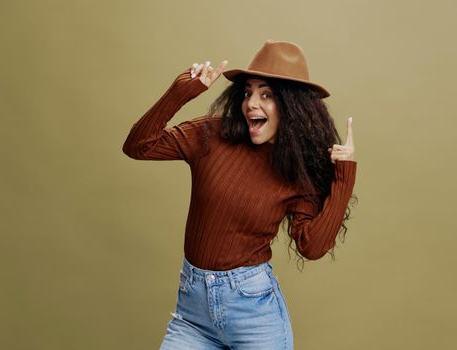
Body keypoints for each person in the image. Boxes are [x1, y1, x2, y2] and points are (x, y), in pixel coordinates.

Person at [123, 40, 356, 350]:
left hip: (255, 315)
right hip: (193, 315)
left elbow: (312, 246)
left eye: (267, 95)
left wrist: (345, 175)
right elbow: (138, 146)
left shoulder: (296, 171)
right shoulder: (211, 136)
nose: (251, 104)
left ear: (292, 106)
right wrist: (181, 92)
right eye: (248, 92)